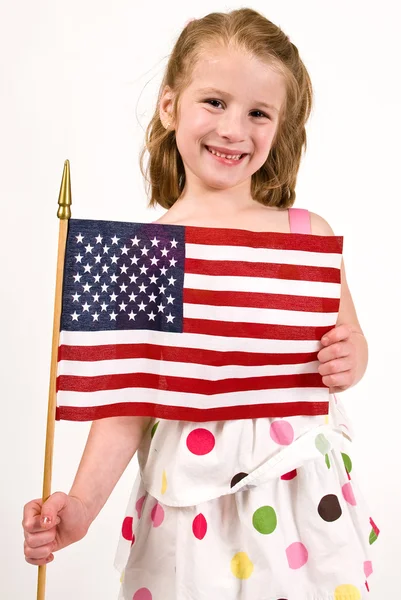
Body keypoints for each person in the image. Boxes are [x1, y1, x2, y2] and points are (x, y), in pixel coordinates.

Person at [22, 8, 380, 599]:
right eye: (214, 102)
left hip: (295, 490)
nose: (234, 129)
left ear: (279, 127)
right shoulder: (147, 255)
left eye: (258, 113)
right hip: (190, 504)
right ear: (170, 107)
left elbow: (350, 341)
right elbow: (126, 404)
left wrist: (352, 357)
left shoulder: (305, 234)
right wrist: (81, 504)